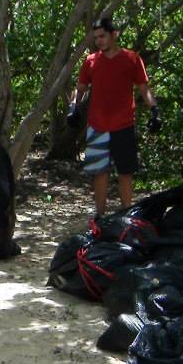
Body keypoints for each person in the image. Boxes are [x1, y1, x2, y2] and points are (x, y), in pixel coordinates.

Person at [68, 18, 162, 217]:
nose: (99, 41)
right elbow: (80, 89)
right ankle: (100, 217)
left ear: (114, 34)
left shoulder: (132, 59)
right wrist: (72, 108)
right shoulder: (91, 61)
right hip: (97, 125)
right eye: (96, 38)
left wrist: (155, 110)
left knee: (125, 173)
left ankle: (127, 216)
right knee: (99, 174)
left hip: (124, 125)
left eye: (102, 36)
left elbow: (144, 89)